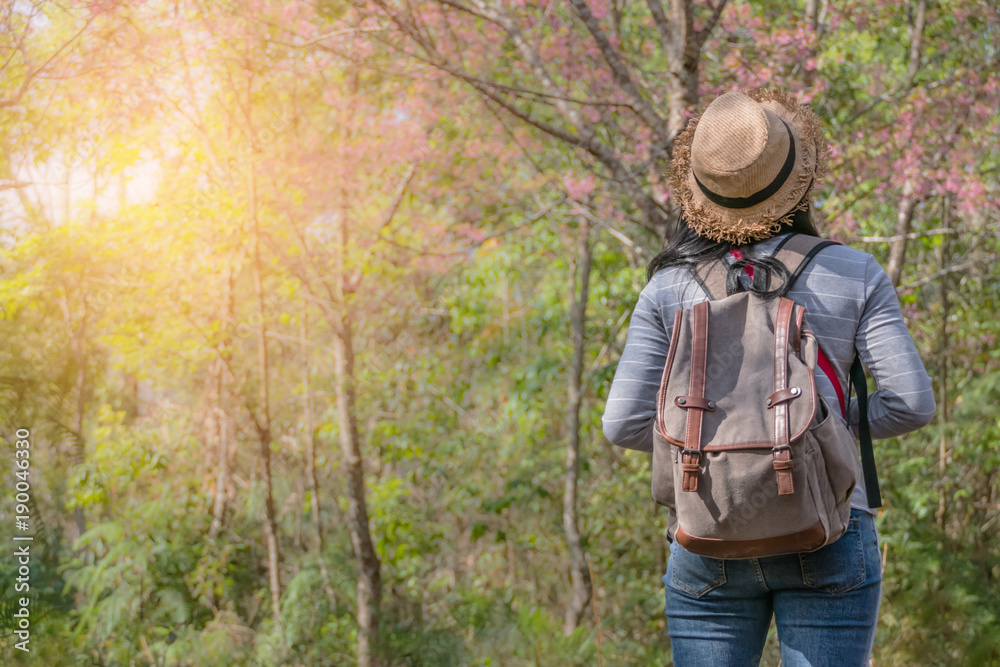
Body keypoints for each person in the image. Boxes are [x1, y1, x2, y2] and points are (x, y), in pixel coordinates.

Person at [601, 89, 936, 666]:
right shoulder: (853, 271)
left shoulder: (668, 288)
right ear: (798, 182)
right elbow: (911, 403)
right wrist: (816, 430)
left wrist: (713, 447)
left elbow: (622, 423)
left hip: (709, 525)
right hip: (829, 525)